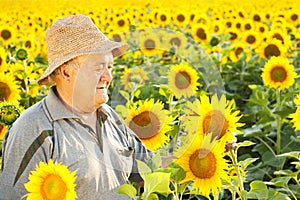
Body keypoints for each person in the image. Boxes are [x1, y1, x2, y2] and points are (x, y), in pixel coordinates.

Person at [0, 14, 151, 199]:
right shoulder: (34, 129)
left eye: (110, 67)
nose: (107, 77)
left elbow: (148, 169)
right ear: (66, 72)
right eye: (98, 68)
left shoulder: (109, 117)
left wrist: (191, 156)